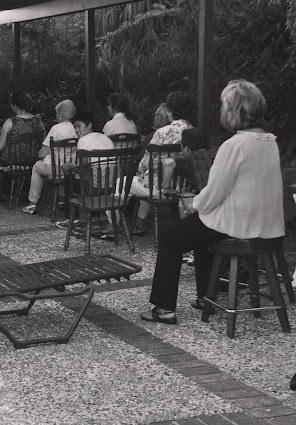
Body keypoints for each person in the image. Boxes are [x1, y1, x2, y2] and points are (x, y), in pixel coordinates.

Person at [141, 79, 285, 324]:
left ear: (234, 110)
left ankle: (164, 309)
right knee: (201, 229)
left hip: (239, 224)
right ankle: (206, 298)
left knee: (170, 237)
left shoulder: (234, 145)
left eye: (224, 105)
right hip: (265, 223)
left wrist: (193, 204)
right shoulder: (270, 142)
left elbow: (215, 192)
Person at [104, 89, 194, 237]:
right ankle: (138, 224)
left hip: (158, 188)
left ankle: (112, 225)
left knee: (124, 182)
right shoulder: (193, 131)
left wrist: (140, 172)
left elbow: (145, 164)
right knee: (146, 182)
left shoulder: (162, 132)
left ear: (169, 111)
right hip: (181, 187)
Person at [56, 110, 115, 229]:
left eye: (79, 126)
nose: (77, 130)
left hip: (95, 188)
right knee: (90, 175)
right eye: (75, 127)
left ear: (89, 125)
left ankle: (73, 218)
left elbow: (85, 168)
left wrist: (71, 166)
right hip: (113, 186)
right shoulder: (105, 138)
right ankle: (95, 218)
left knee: (69, 178)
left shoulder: (83, 140)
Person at [22, 99, 77, 214]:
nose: (56, 115)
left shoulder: (56, 129)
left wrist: (41, 155)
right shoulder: (75, 128)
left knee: (37, 167)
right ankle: (62, 200)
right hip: (70, 169)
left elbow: (42, 153)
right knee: (60, 166)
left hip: (55, 169)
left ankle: (32, 203)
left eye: (56, 113)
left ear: (61, 114)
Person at [0, 92, 45, 200]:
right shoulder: (39, 122)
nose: (10, 106)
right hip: (32, 160)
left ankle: (5, 191)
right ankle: (24, 189)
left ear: (15, 105)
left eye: (11, 104)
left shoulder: (10, 122)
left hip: (12, 162)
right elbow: (44, 143)